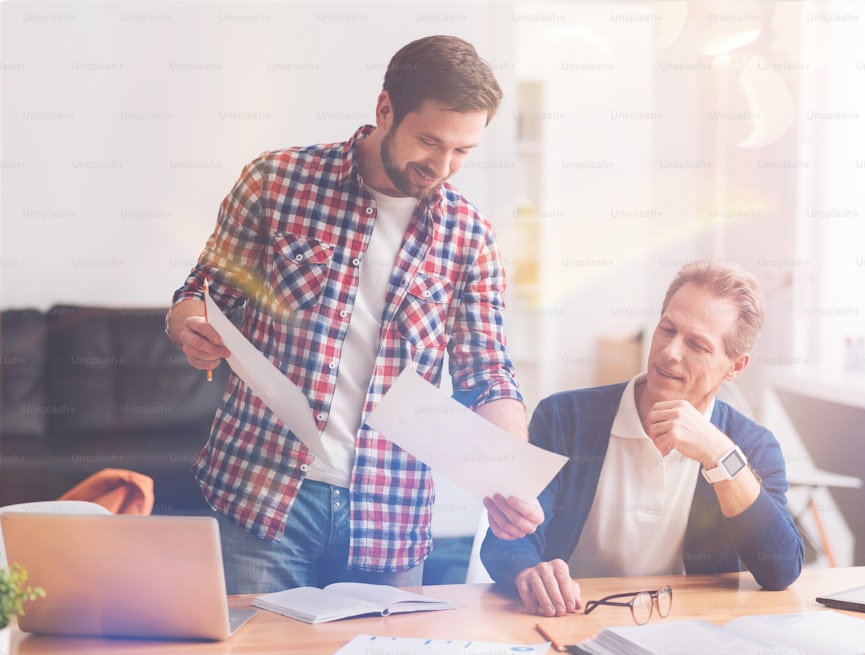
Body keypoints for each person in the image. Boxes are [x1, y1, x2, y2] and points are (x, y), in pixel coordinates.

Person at [166, 35, 542, 594]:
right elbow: (200, 291)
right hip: (261, 496)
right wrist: (190, 328)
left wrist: (510, 478)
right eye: (429, 141)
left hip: (388, 517)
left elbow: (488, 373)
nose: (442, 166)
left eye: (462, 151)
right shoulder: (277, 181)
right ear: (385, 109)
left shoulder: (471, 236)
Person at [481, 260, 804, 617]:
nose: (670, 352)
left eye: (697, 345)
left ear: (735, 367)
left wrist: (718, 454)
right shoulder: (564, 418)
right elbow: (505, 538)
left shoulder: (751, 446)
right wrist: (528, 571)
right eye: (667, 329)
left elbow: (781, 569)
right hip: (574, 617)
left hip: (686, 629)